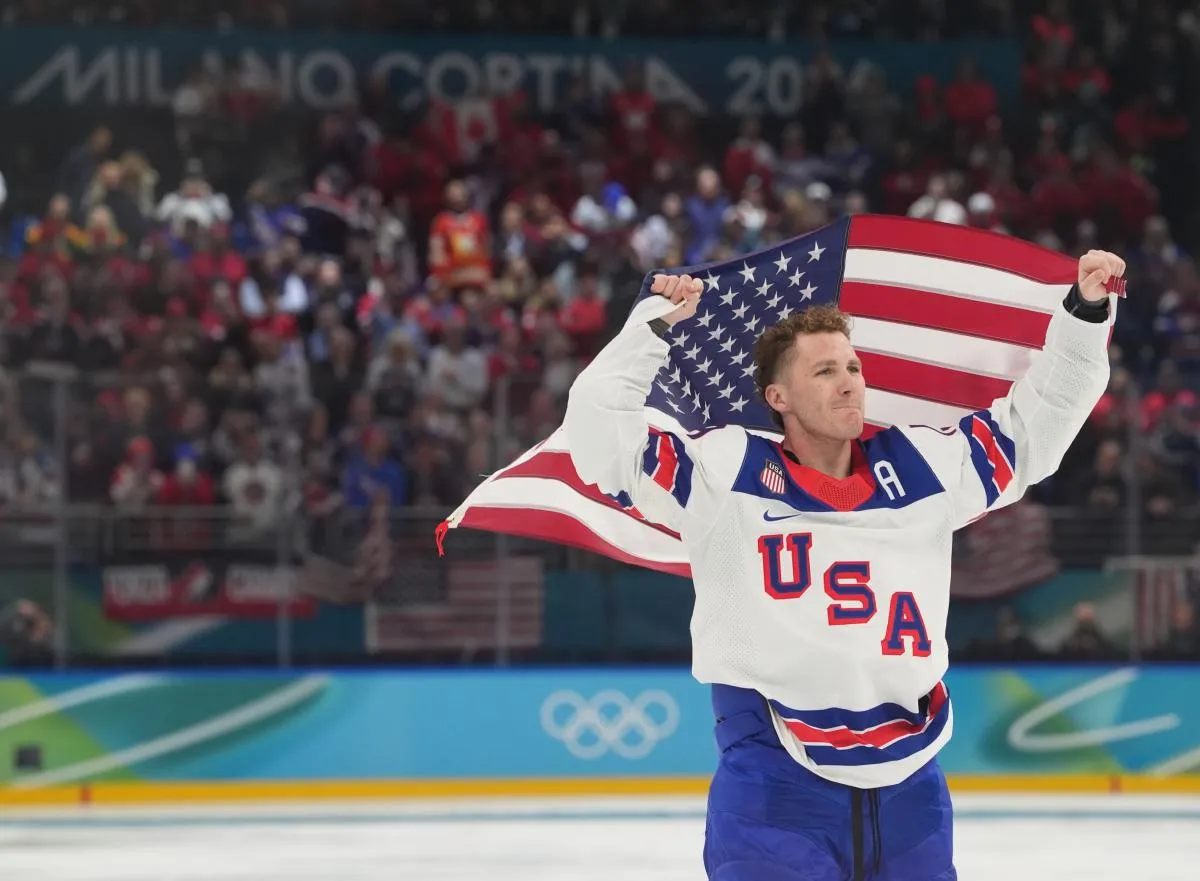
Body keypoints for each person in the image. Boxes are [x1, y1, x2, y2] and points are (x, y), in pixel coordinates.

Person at [563, 250, 1125, 880]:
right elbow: (602, 444)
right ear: (778, 396)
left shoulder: (923, 466)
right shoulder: (726, 471)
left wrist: (1083, 316)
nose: (849, 381)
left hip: (912, 782)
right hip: (774, 781)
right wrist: (650, 326)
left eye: (853, 367)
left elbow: (1034, 432)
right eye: (825, 370)